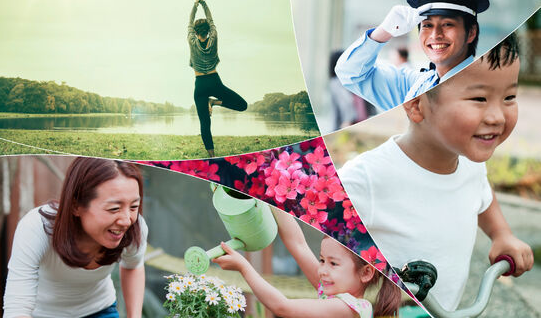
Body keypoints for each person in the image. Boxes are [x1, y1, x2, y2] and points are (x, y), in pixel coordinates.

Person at [338, 34, 534, 311]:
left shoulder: (471, 164)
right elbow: (325, 238)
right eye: (479, 98)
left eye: (509, 97)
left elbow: (481, 194)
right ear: (417, 104)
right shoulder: (366, 178)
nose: (497, 117)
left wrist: (501, 234)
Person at [3, 158, 148, 318]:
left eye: (134, 206)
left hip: (100, 310)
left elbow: (133, 266)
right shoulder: (36, 228)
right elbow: (17, 309)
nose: (126, 220)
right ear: (75, 205)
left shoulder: (134, 228)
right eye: (114, 208)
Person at [212, 208, 401, 318]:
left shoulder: (349, 307)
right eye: (321, 260)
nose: (323, 270)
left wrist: (244, 267)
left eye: (333, 264)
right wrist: (273, 202)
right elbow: (298, 244)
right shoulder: (333, 294)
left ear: (366, 273)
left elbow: (282, 307)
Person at [335, 0, 489, 111]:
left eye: (447, 24)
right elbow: (350, 73)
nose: (435, 35)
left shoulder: (484, 92)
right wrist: (383, 32)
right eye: (427, 25)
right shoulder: (416, 84)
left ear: (471, 32)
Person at [188, 0, 247, 157]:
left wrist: (195, 4)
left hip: (200, 85)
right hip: (215, 82)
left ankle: (212, 156)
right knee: (242, 105)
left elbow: (189, 22)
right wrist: (204, 3)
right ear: (208, 30)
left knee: (205, 124)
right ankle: (215, 102)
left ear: (195, 32)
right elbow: (211, 21)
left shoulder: (191, 40)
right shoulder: (214, 37)